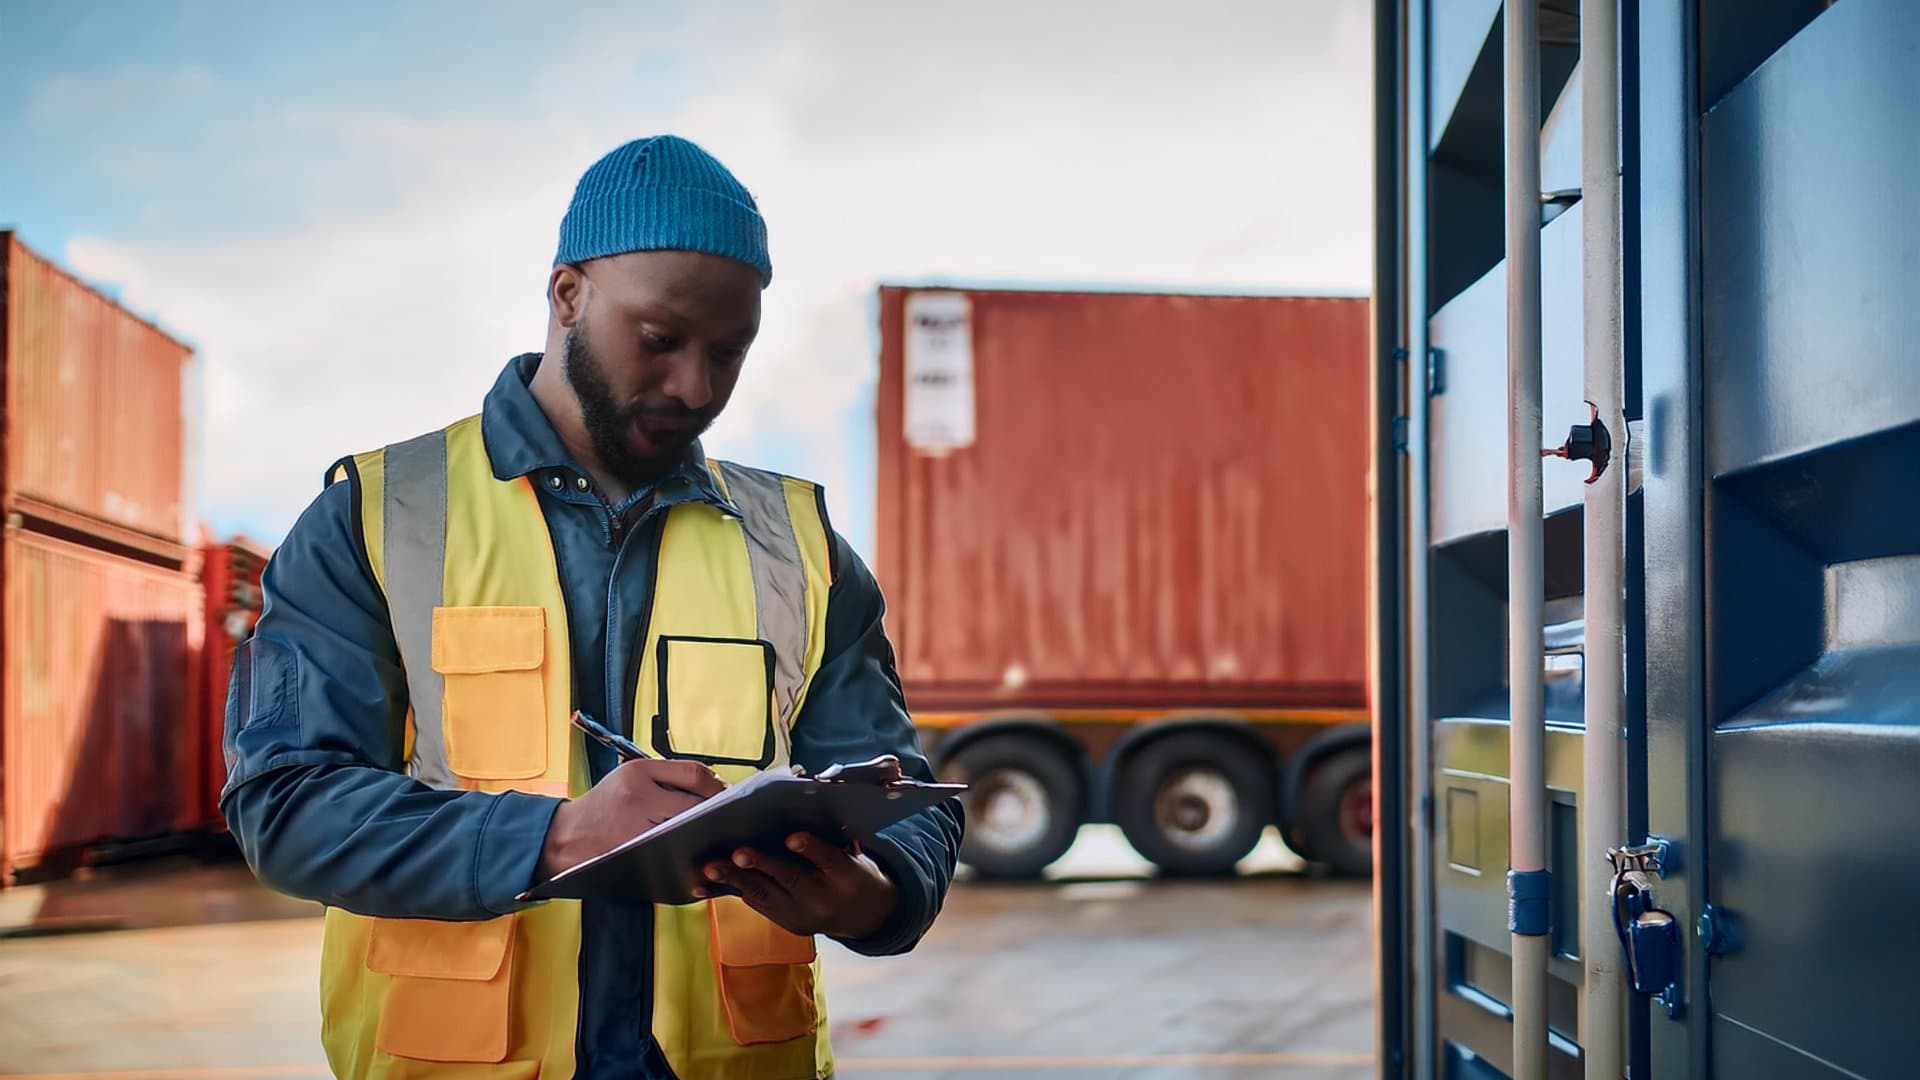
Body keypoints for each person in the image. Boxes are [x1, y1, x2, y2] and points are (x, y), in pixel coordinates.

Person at [221, 134, 963, 1079]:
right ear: (568, 294)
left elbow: (910, 800)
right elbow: (284, 805)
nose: (695, 387)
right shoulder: (374, 518)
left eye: (728, 352)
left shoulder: (804, 548)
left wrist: (874, 896)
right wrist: (553, 837)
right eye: (659, 340)